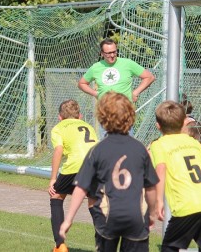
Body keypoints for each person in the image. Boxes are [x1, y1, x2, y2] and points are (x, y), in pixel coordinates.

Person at [59, 92, 159, 252]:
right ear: (131, 117)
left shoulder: (97, 150)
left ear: (102, 119)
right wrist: (153, 212)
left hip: (107, 217)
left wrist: (68, 219)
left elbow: (81, 188)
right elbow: (151, 187)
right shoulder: (140, 149)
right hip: (136, 218)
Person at [149, 100, 201, 252]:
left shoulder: (159, 144)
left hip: (186, 206)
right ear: (183, 124)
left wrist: (158, 201)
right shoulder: (193, 143)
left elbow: (161, 169)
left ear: (158, 126)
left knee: (169, 248)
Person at [48, 99, 99, 252]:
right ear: (80, 116)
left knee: (56, 196)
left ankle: (60, 244)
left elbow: (58, 150)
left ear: (60, 117)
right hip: (96, 166)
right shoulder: (88, 126)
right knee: (94, 204)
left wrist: (53, 178)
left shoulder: (58, 128)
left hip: (74, 166)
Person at [78, 38, 155, 103]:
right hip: (105, 111)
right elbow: (82, 83)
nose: (112, 55)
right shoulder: (96, 67)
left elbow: (149, 77)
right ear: (102, 53)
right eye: (108, 53)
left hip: (125, 110)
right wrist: (95, 93)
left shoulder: (127, 63)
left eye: (114, 52)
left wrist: (135, 93)